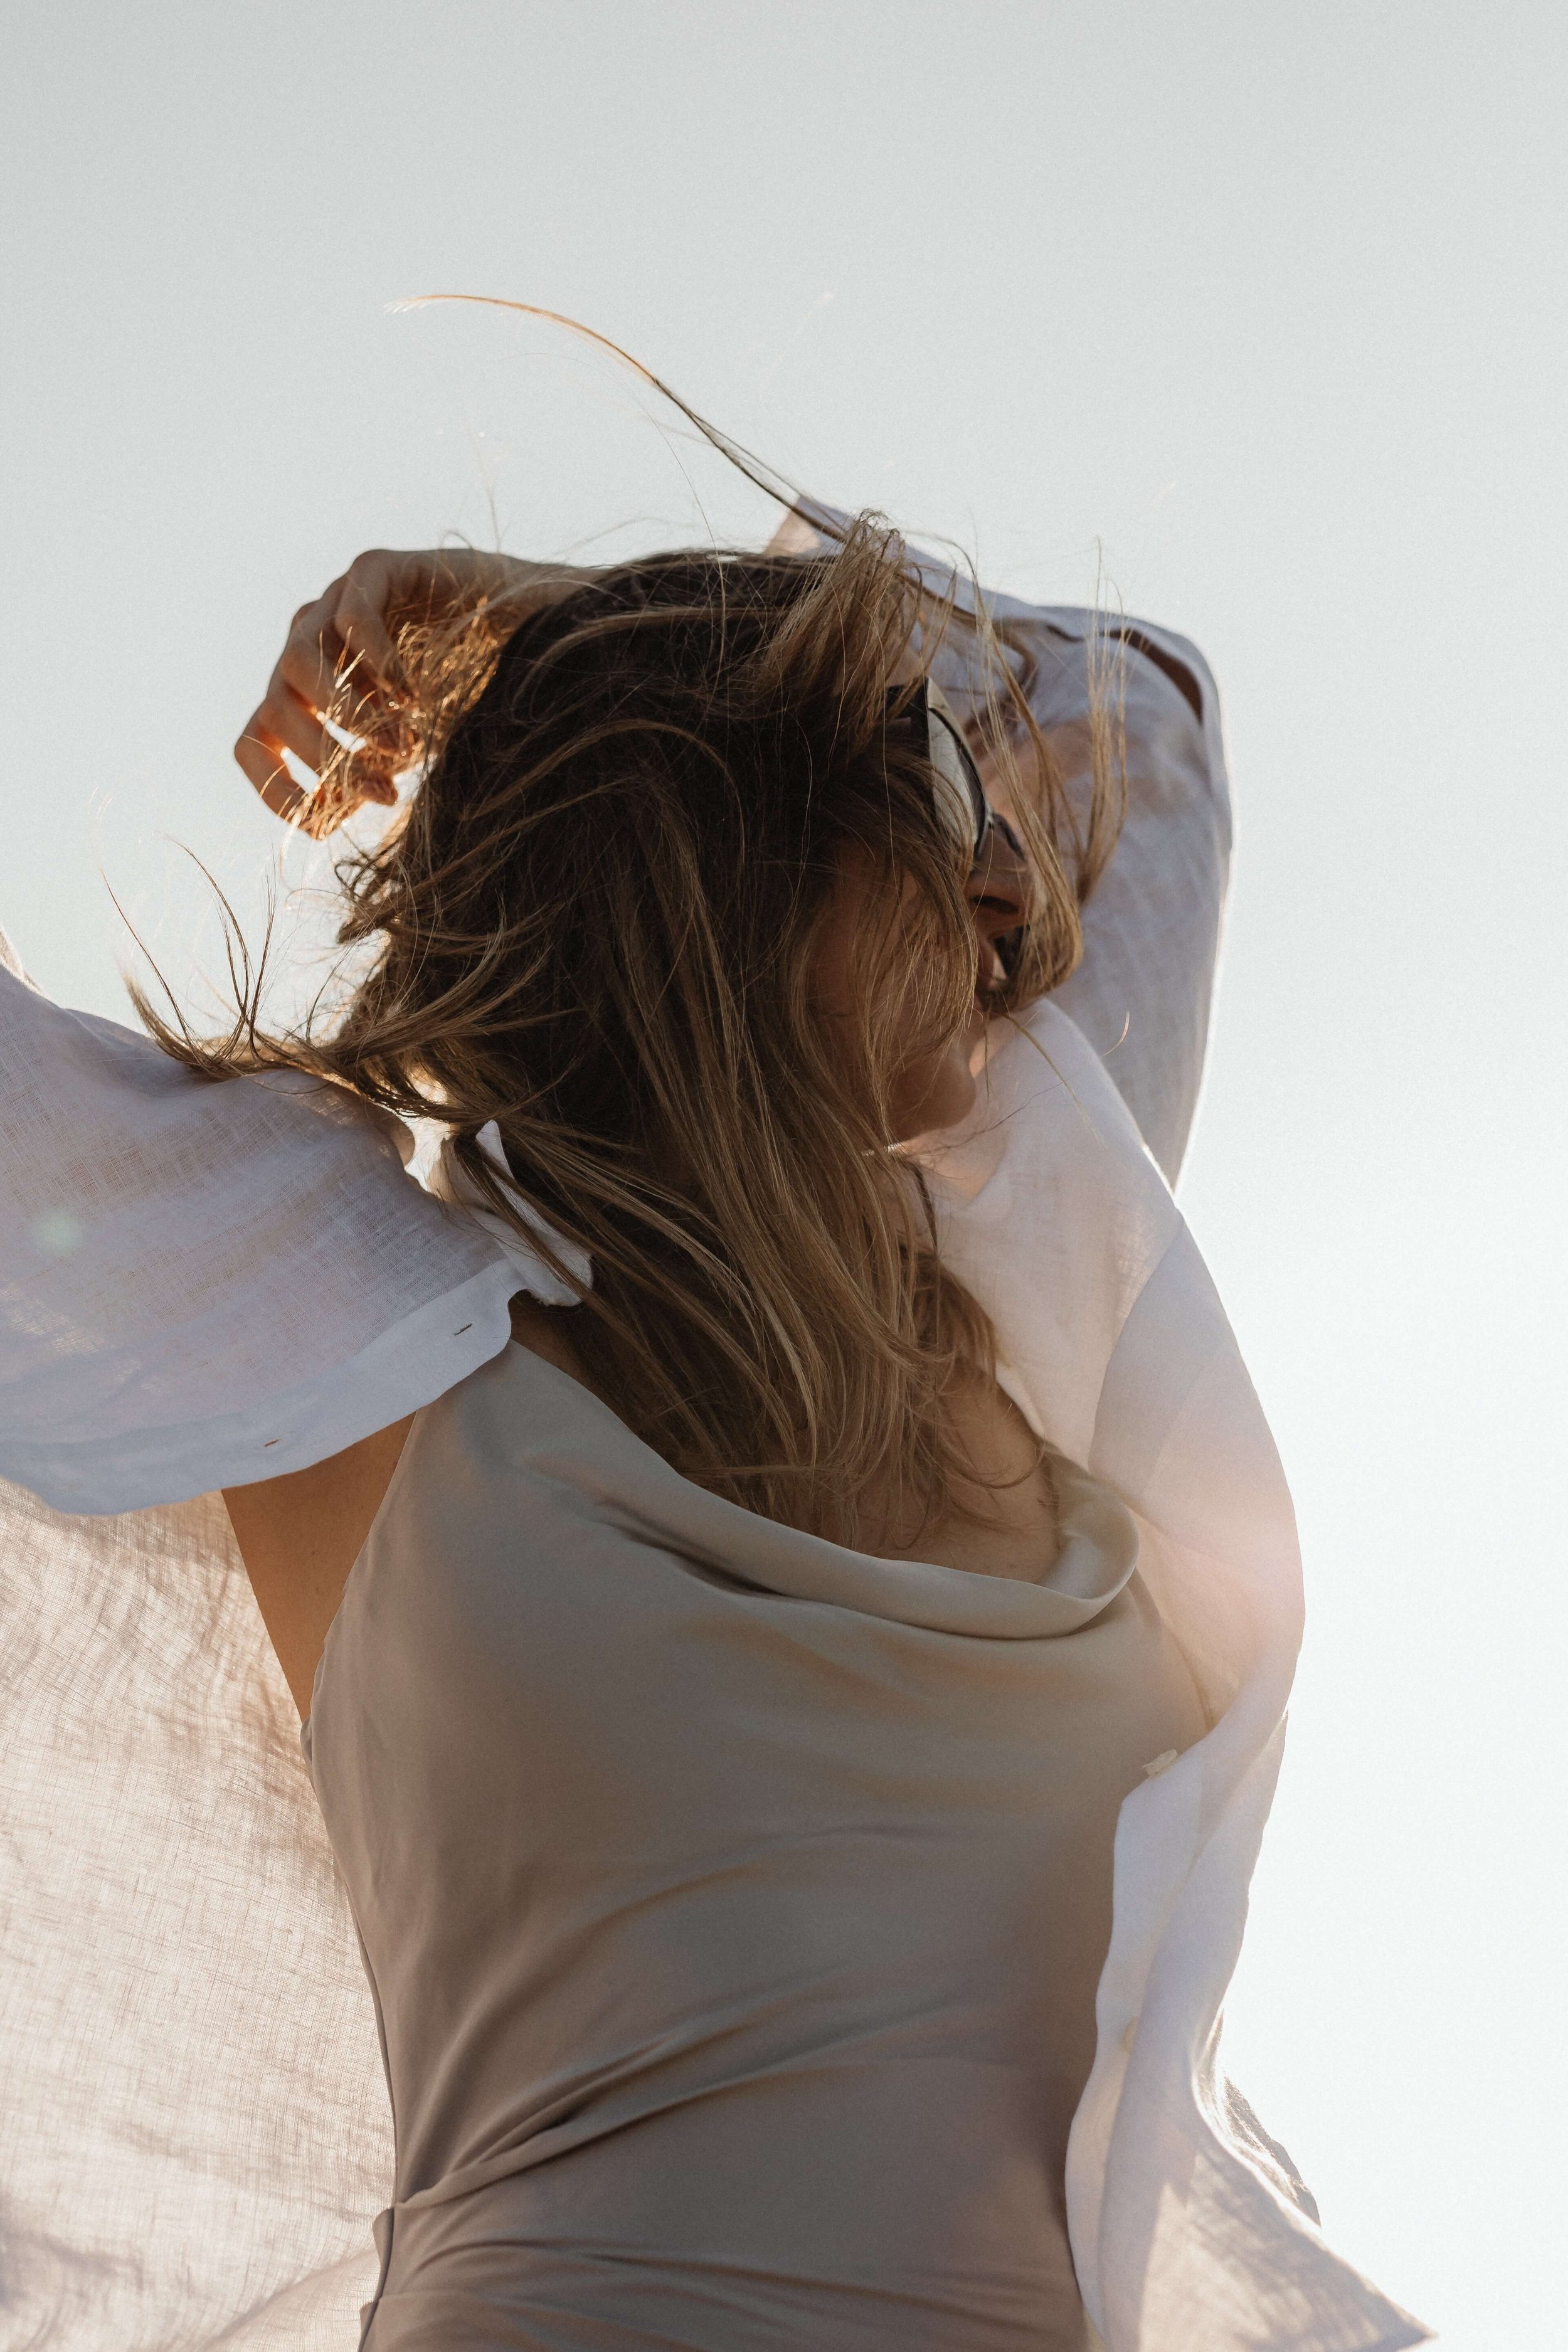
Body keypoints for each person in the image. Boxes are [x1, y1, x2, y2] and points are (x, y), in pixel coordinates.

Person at [0, 499, 1428, 2352]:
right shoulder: (350, 1322)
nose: (1014, 894)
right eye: (924, 807)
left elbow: (1131, 724)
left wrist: (555, 617)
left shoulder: (1040, 1299)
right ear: (712, 850)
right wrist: (615, 673)